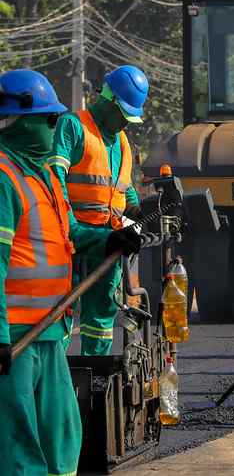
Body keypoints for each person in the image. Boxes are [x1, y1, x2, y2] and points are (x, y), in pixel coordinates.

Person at [0, 69, 140, 476]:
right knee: (18, 442)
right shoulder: (5, 178)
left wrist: (109, 241)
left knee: (63, 433)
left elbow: (70, 233)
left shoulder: (41, 176)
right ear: (21, 122)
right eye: (48, 119)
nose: (54, 127)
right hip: (16, 339)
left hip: (50, 327)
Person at [48, 65, 146, 355]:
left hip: (108, 242)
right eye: (123, 115)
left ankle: (96, 370)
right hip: (71, 240)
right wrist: (68, 226)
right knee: (62, 310)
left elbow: (122, 186)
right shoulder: (73, 126)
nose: (124, 123)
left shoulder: (123, 142)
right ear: (108, 100)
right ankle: (58, 376)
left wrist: (140, 209)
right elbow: (55, 179)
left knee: (102, 313)